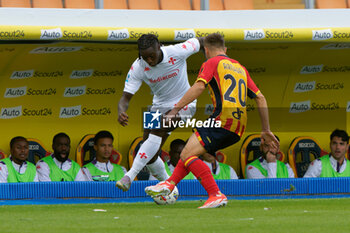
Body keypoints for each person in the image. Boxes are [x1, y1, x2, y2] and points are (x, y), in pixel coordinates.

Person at [145, 33, 279, 208]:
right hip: (238, 127)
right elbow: (260, 98)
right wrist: (266, 130)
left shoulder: (211, 63)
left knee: (187, 154)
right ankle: (168, 184)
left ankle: (215, 194)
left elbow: (199, 86)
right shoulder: (240, 68)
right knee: (188, 152)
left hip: (222, 120)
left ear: (206, 50)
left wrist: (176, 109)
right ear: (225, 49)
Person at [116, 34, 203, 191]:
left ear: (159, 47)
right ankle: (170, 188)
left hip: (184, 103)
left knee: (159, 127)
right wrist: (121, 111)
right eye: (145, 57)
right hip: (158, 106)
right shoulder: (138, 66)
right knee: (150, 156)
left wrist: (214, 60)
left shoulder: (177, 51)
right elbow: (125, 97)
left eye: (152, 56)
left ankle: (129, 176)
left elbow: (202, 41)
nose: (149, 60)